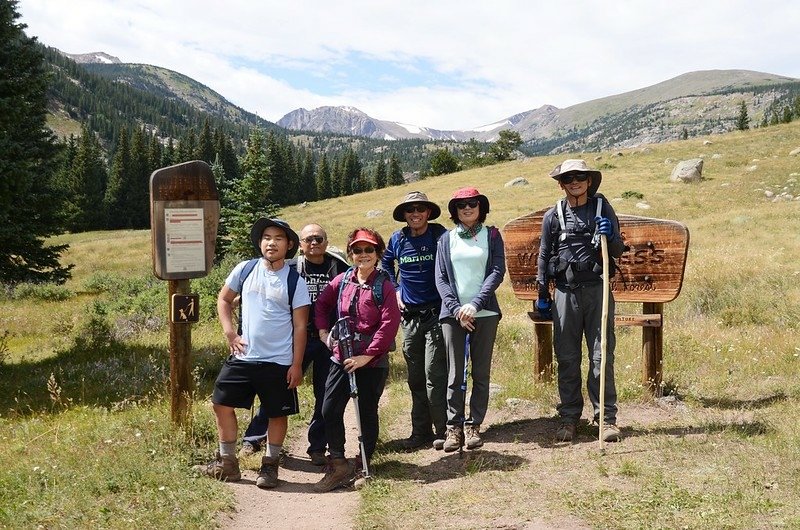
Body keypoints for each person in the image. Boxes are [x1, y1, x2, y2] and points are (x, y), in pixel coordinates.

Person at [194, 218, 311, 489]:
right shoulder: (245, 269)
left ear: (289, 245)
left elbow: (300, 326)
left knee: (276, 414)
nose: (271, 242)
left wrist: (296, 365)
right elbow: (223, 299)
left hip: (279, 361)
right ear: (260, 242)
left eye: (278, 238)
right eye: (266, 237)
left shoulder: (295, 281)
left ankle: (270, 467)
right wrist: (230, 334)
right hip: (243, 356)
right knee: (220, 403)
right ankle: (228, 463)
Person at [238, 224, 350, 465]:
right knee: (276, 390)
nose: (314, 243)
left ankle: (317, 447)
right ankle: (254, 438)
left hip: (328, 340)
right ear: (299, 245)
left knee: (325, 394)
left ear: (326, 242)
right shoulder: (290, 267)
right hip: (293, 340)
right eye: (308, 239)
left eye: (319, 238)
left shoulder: (340, 268)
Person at [535, 159, 625, 443]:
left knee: (601, 355)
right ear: (561, 184)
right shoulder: (553, 215)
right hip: (564, 291)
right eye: (569, 178)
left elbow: (619, 248)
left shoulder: (602, 208)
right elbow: (543, 253)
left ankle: (606, 419)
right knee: (568, 356)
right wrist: (542, 294)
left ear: (589, 181)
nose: (575, 182)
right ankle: (569, 417)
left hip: (596, 289)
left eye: (580, 177)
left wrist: (610, 234)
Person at [312, 228, 401, 492]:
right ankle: (338, 463)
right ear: (350, 253)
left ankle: (364, 463)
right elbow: (322, 305)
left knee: (366, 412)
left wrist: (367, 356)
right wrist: (323, 333)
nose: (363, 255)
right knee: (329, 408)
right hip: (342, 356)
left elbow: (389, 323)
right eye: (358, 250)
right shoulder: (341, 281)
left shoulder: (383, 286)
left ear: (378, 254)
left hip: (371, 360)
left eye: (369, 250)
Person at [434, 187, 505, 452]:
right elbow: (440, 278)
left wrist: (474, 305)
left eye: (472, 203)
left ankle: (474, 424)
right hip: (452, 317)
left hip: (485, 314)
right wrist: (456, 310)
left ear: (480, 207)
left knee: (481, 372)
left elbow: (497, 271)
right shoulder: (445, 239)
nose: (467, 208)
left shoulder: (493, 235)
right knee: (455, 373)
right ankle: (454, 427)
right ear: (454, 210)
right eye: (461, 204)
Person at [382, 191, 448, 451]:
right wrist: (396, 288)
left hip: (436, 315)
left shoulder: (439, 235)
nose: (415, 214)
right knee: (415, 377)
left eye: (420, 209)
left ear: (428, 213)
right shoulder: (398, 239)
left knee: (435, 374)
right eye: (410, 210)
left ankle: (444, 430)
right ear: (405, 215)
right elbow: (386, 263)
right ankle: (420, 431)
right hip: (409, 318)